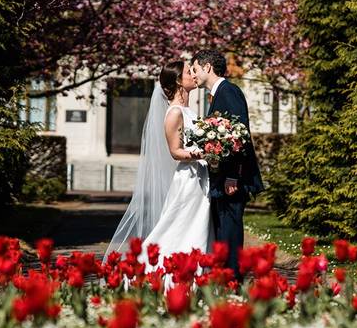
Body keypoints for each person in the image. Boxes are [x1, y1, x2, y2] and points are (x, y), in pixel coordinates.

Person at [105, 60, 211, 266]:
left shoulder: (189, 111)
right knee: (180, 227)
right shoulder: (174, 113)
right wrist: (205, 153)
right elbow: (175, 152)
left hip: (200, 176)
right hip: (188, 178)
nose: (195, 74)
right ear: (179, 81)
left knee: (196, 228)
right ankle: (154, 269)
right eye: (190, 71)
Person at [191, 49, 263, 279]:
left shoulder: (228, 92)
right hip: (222, 178)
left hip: (232, 180)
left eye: (195, 68)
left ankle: (233, 280)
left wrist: (233, 175)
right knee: (224, 232)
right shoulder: (220, 93)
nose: (194, 74)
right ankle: (227, 279)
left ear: (208, 67)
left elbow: (238, 136)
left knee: (230, 232)